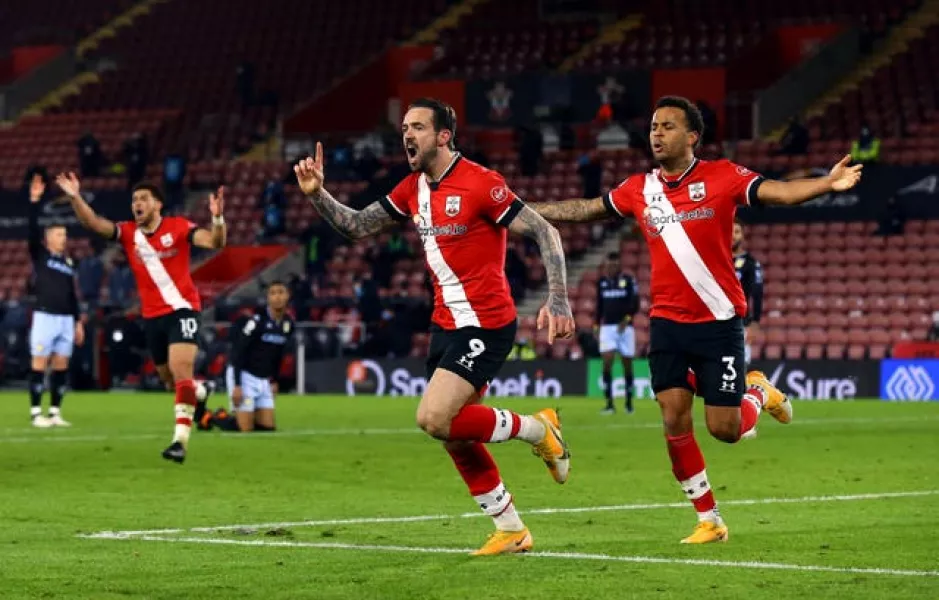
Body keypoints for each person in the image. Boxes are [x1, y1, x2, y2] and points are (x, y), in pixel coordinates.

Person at [532, 95, 863, 544]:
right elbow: (587, 207)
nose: (657, 134)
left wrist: (827, 183)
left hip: (718, 323)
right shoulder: (637, 188)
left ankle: (757, 393)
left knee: (725, 431)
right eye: (653, 126)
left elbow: (780, 192)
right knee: (673, 418)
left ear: (692, 137)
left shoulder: (723, 176)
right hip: (667, 323)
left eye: (668, 126)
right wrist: (525, 212)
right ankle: (710, 520)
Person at [295, 97, 575, 555]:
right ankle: (511, 529)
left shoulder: (482, 183)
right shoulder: (412, 188)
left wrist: (558, 298)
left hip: (485, 323)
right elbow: (357, 226)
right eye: (405, 127)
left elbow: (546, 231)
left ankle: (538, 430)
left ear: (444, 136)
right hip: (445, 324)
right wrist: (316, 195)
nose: (407, 134)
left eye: (418, 127)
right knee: (455, 434)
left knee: (433, 417)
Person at [55, 173, 227, 464]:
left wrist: (218, 219)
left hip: (182, 308)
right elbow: (94, 223)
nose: (137, 203)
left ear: (158, 204)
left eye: (144, 199)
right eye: (134, 200)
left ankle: (179, 442)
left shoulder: (179, 227)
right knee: (168, 380)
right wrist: (75, 197)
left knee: (180, 369)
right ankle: (200, 390)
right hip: (152, 316)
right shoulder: (128, 233)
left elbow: (215, 242)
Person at [26, 174, 84, 428]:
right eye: (59, 234)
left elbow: (72, 294)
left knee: (61, 365)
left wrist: (78, 321)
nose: (63, 238)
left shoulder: (68, 264)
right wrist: (34, 202)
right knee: (39, 364)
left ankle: (55, 412)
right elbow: (31, 229)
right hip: (45, 316)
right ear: (48, 238)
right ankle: (36, 413)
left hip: (65, 320)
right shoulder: (40, 256)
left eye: (64, 235)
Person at [199, 281, 294, 432]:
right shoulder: (257, 321)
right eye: (273, 293)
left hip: (263, 379)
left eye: (281, 292)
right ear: (268, 298)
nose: (277, 297)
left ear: (288, 296)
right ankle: (211, 417)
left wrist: (274, 380)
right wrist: (237, 385)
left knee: (267, 428)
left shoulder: (288, 324)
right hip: (245, 375)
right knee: (245, 429)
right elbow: (238, 351)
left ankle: (234, 415)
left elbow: (278, 355)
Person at [596, 252, 639, 415]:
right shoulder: (602, 283)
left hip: (626, 328)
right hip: (607, 328)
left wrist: (626, 320)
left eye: (614, 264)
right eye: (609, 264)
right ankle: (609, 404)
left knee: (627, 364)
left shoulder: (628, 280)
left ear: (619, 265)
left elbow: (635, 303)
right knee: (607, 362)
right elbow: (599, 306)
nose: (611, 267)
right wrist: (595, 325)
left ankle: (628, 403)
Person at [732, 219, 763, 367]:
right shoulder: (717, 260)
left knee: (740, 365)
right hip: (715, 322)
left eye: (737, 232)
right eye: (730, 231)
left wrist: (754, 323)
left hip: (740, 322)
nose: (732, 235)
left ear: (743, 235)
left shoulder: (751, 263)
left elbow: (757, 293)